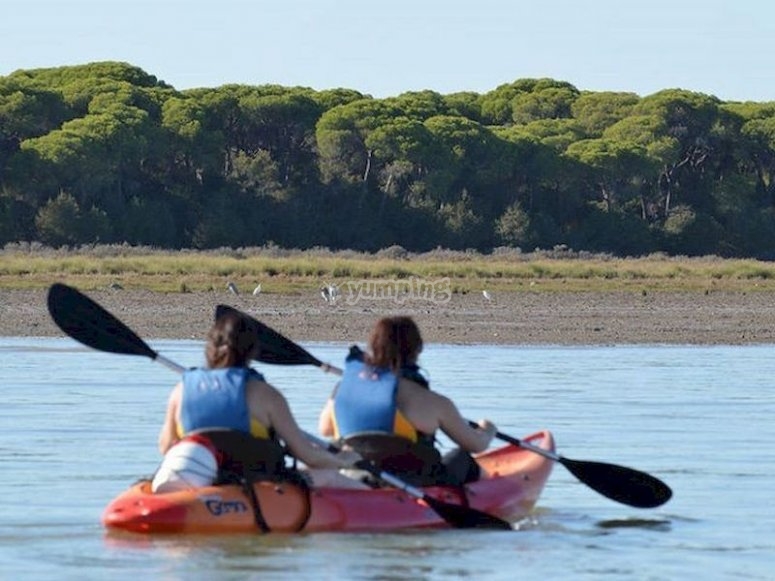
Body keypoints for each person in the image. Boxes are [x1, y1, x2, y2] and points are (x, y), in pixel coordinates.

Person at [153, 309, 361, 494]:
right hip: (260, 486)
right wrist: (343, 461)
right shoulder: (266, 395)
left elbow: (166, 447)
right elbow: (308, 455)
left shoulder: (181, 391)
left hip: (198, 479)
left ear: (210, 348)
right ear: (252, 351)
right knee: (330, 476)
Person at [318, 316, 497, 487]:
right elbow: (476, 445)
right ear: (417, 350)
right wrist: (488, 429)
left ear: (373, 347)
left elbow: (325, 429)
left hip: (359, 474)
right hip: (416, 484)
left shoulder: (342, 389)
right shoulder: (432, 402)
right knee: (462, 457)